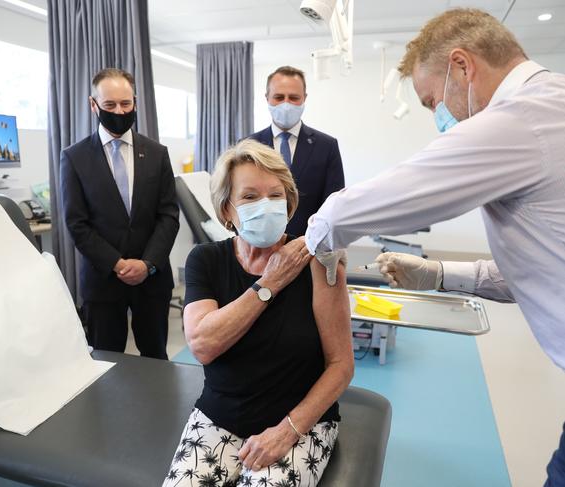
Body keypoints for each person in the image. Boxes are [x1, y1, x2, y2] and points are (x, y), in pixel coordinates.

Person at [304, 8, 565, 486]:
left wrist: (312, 241)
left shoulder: (524, 116)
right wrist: (440, 274)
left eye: (431, 103)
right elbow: (542, 268)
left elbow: (398, 194)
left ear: (462, 67)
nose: (438, 118)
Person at [163, 139, 353, 487]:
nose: (265, 205)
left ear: (290, 202)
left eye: (275, 195)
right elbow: (203, 345)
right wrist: (271, 281)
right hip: (219, 417)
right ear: (226, 211)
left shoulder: (317, 262)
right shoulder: (205, 260)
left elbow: (341, 365)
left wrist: (286, 431)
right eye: (250, 197)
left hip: (298, 423)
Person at [60, 68, 179, 359]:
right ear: (93, 104)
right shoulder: (74, 157)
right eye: (110, 105)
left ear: (135, 102)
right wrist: (117, 263)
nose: (119, 111)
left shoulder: (157, 153)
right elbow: (77, 223)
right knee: (105, 361)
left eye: (125, 104)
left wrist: (147, 263)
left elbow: (168, 215)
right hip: (103, 282)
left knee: (156, 359)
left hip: (151, 280)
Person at [249, 66, 344, 237]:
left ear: (304, 98)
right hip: (258, 244)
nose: (286, 104)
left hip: (309, 246)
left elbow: (334, 205)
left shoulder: (327, 146)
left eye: (293, 98)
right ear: (267, 98)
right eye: (279, 97)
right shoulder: (249, 146)